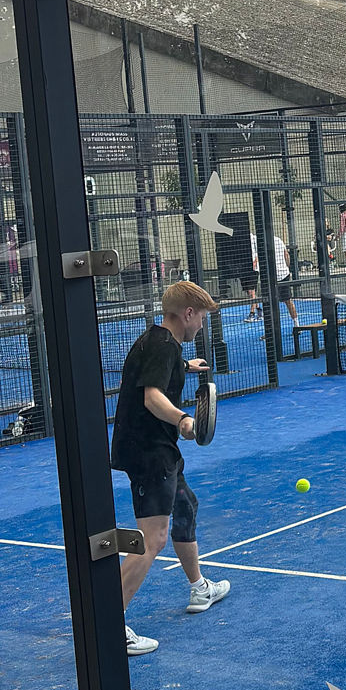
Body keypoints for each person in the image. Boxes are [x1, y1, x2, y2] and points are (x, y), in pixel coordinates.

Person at [109, 281, 231, 656]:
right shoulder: (164, 347)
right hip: (150, 453)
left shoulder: (161, 342)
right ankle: (107, 623)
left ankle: (199, 587)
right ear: (188, 314)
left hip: (155, 450)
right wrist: (183, 421)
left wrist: (185, 366)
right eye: (202, 318)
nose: (202, 327)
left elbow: (159, 369)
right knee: (153, 538)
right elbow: (151, 397)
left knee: (184, 507)